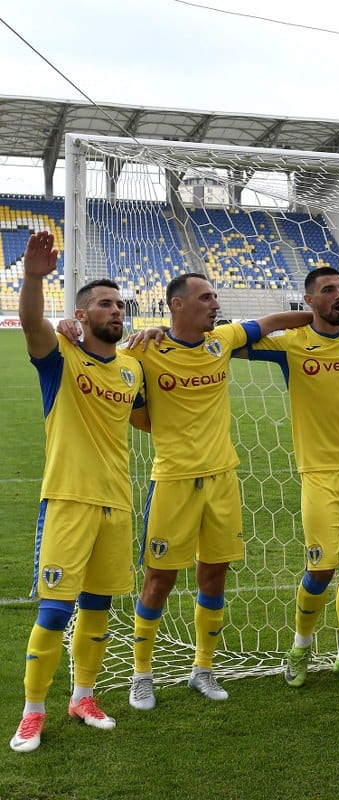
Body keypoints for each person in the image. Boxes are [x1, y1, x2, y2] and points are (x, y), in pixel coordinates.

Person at [125, 273, 309, 710]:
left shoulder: (222, 339)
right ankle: (141, 675)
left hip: (223, 478)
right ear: (177, 305)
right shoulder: (144, 352)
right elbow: (137, 415)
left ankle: (202, 670)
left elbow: (273, 322)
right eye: (206, 297)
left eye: (215, 296)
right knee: (159, 579)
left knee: (214, 575)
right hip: (171, 481)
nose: (215, 303)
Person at [10, 232, 148, 753]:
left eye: (119, 303)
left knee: (97, 607)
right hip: (68, 498)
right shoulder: (60, 356)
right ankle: (33, 712)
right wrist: (33, 278)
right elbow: (30, 323)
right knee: (54, 611)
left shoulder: (133, 367)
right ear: (82, 315)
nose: (116, 310)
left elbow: (145, 420)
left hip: (118, 502)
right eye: (104, 304)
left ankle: (83, 696)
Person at [241, 267, 339, 687]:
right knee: (321, 566)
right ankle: (299, 649)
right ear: (309, 300)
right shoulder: (291, 345)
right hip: (319, 472)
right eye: (327, 290)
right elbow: (229, 343)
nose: (338, 296)